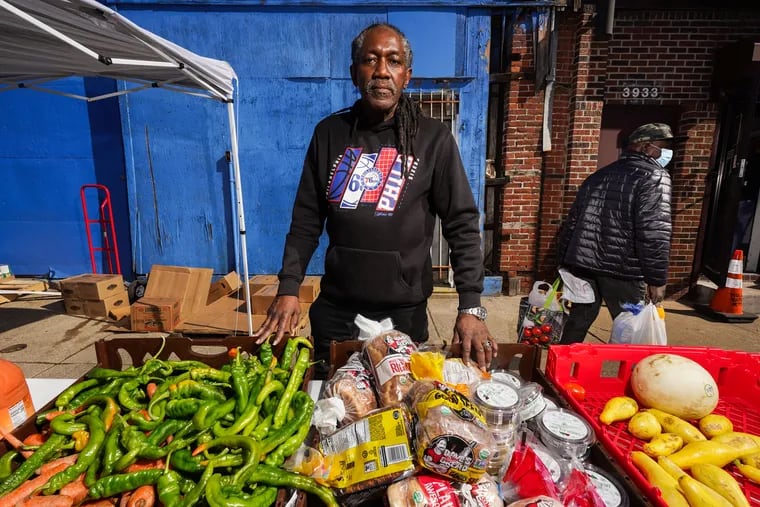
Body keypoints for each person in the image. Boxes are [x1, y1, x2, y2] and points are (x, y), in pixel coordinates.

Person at [252, 23, 495, 373]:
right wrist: (289, 287)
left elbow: (461, 224)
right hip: (336, 311)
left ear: (407, 76)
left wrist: (471, 306)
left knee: (396, 413)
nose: (382, 71)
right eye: (371, 59)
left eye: (393, 61)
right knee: (333, 409)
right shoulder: (329, 134)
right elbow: (306, 220)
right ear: (354, 72)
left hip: (403, 316)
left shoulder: (432, 140)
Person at [557, 123, 675, 344]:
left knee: (578, 322)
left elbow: (572, 222)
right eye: (664, 146)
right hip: (623, 269)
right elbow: (654, 232)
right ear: (646, 147)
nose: (667, 153)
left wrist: (564, 261)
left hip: (584, 265)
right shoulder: (655, 176)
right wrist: (656, 279)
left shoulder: (599, 176)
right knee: (632, 329)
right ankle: (633, 375)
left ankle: (562, 366)